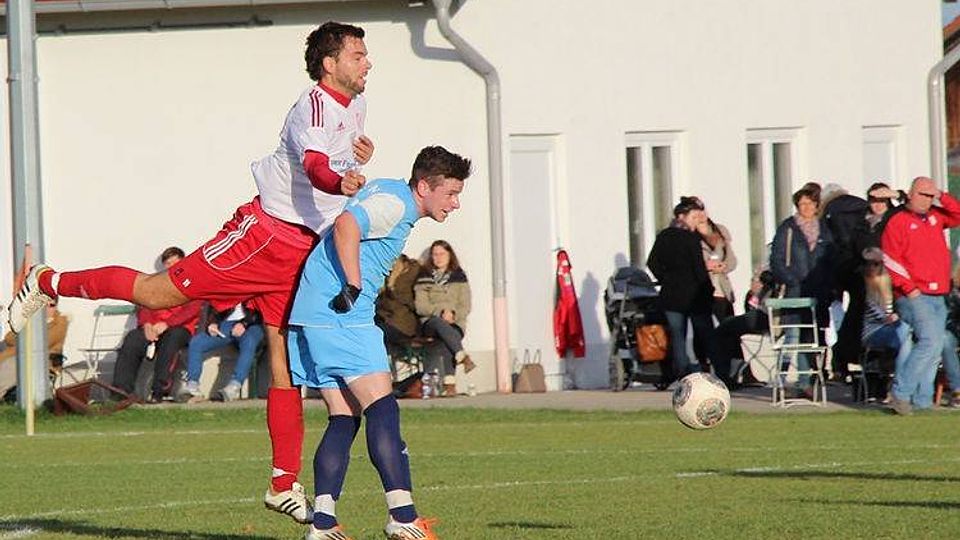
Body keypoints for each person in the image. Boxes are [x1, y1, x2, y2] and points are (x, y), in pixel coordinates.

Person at [6, 21, 374, 523]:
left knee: (283, 358)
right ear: (330, 64)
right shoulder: (310, 107)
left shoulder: (356, 105)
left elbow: (335, 156)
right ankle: (47, 282)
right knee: (157, 294)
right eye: (357, 55)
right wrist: (339, 177)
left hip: (301, 252)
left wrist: (360, 155)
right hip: (262, 238)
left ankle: (282, 482)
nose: (366, 62)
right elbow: (313, 166)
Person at [289, 146, 469, 540]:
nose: (455, 204)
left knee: (344, 417)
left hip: (311, 314)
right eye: (451, 193)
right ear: (424, 186)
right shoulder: (396, 204)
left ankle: (323, 524)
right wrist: (354, 283)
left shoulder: (390, 189)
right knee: (383, 408)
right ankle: (402, 516)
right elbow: (346, 225)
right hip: (341, 314)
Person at [882, 176, 960, 415]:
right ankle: (901, 393)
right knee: (928, 341)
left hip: (938, 293)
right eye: (922, 195)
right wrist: (908, 287)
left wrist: (942, 195)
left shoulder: (936, 217)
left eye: (930, 196)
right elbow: (891, 259)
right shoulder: (898, 222)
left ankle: (922, 399)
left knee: (935, 346)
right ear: (910, 194)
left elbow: (957, 214)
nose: (927, 200)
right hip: (915, 294)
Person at [111, 248, 203, 402]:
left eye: (175, 262)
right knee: (133, 339)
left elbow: (192, 310)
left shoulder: (192, 282)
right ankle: (121, 391)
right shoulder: (156, 282)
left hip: (179, 328)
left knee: (171, 340)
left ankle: (159, 391)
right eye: (168, 263)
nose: (172, 266)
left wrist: (167, 324)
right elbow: (145, 304)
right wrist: (146, 325)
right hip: (153, 327)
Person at [770, 185, 835, 398]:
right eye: (801, 204)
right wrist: (791, 280)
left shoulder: (825, 229)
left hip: (819, 292)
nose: (805, 207)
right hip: (795, 291)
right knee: (793, 336)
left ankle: (806, 382)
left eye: (809, 203)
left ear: (817, 205)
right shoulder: (788, 228)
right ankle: (780, 382)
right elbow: (777, 259)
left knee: (812, 337)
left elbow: (831, 258)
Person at [647, 196, 715, 380]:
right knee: (704, 332)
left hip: (671, 294)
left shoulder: (664, 236)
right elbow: (699, 268)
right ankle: (712, 368)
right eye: (693, 218)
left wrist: (665, 278)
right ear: (682, 217)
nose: (695, 222)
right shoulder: (690, 239)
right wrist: (708, 289)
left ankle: (682, 372)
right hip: (694, 294)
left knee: (678, 335)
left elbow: (652, 262)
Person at [414, 240, 474, 396]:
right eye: (435, 254)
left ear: (450, 255)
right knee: (440, 325)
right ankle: (461, 356)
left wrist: (452, 314)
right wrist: (441, 312)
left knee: (448, 337)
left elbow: (465, 304)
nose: (438, 258)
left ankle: (449, 386)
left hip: (455, 322)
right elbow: (420, 306)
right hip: (430, 322)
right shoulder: (424, 277)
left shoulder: (459, 276)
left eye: (442, 254)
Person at [179, 302, 264, 402]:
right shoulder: (227, 287)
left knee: (249, 341)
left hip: (253, 324)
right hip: (227, 324)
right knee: (197, 342)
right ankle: (192, 384)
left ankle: (234, 386)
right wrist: (213, 323)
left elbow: (262, 311)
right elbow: (216, 305)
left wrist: (244, 323)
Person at [710, 266, 776, 389]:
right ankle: (741, 372)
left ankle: (727, 374)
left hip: (769, 314)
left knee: (724, 328)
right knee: (729, 328)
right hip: (766, 311)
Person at [860, 257, 912, 398]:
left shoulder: (894, 293)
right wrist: (897, 317)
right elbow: (885, 317)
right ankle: (901, 384)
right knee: (904, 332)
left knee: (906, 334)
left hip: (894, 332)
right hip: (874, 333)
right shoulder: (871, 293)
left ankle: (902, 383)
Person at [0, 299, 69, 402]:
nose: (47, 308)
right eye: (43, 305)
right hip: (17, 355)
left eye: (51, 305)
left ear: (56, 306)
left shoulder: (60, 323)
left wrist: (22, 337)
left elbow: (44, 341)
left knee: (12, 365)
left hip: (41, 361)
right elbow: (9, 337)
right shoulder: (31, 320)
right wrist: (26, 338)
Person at [695, 209, 737, 322]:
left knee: (728, 325)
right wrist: (705, 266)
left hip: (723, 289)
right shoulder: (690, 237)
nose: (701, 214)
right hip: (704, 289)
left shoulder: (720, 231)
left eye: (702, 209)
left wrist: (724, 266)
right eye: (696, 211)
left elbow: (732, 260)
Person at [375, 254, 422, 348]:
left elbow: (414, 302)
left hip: (402, 324)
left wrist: (392, 289)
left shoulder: (414, 276)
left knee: (377, 333)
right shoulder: (388, 278)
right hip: (386, 319)